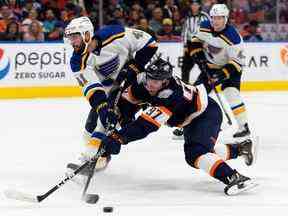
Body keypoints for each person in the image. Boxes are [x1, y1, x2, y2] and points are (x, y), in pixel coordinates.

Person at [96, 57, 257, 195]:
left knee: (196, 153)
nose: (151, 84)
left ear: (165, 81)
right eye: (150, 78)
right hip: (190, 117)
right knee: (198, 155)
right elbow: (128, 101)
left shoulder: (171, 95)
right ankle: (241, 149)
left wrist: (120, 137)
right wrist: (119, 116)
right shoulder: (142, 81)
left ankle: (234, 178)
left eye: (156, 81)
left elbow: (145, 126)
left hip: (205, 114)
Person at [64, 16, 158, 171]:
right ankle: (98, 158)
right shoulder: (77, 61)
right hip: (110, 91)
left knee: (106, 124)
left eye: (75, 37)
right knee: (91, 127)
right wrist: (103, 108)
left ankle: (97, 157)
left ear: (87, 35)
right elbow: (93, 89)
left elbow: (150, 44)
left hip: (136, 85)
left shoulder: (115, 33)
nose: (72, 42)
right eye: (70, 38)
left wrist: (134, 67)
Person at [176, 4, 252, 142]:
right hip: (210, 66)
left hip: (230, 69)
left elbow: (237, 63)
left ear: (226, 19)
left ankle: (243, 127)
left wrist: (220, 75)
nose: (215, 21)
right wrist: (198, 55)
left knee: (231, 94)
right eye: (213, 18)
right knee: (196, 95)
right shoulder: (204, 26)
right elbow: (195, 41)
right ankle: (186, 126)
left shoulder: (233, 38)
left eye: (219, 18)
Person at [173, 0, 209, 138]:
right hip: (189, 45)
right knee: (185, 69)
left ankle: (204, 89)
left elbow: (208, 31)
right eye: (192, 4)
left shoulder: (204, 16)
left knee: (204, 70)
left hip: (200, 45)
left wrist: (205, 44)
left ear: (199, 6)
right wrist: (184, 46)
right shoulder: (188, 18)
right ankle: (185, 89)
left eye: (196, 4)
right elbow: (185, 32)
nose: (194, 6)